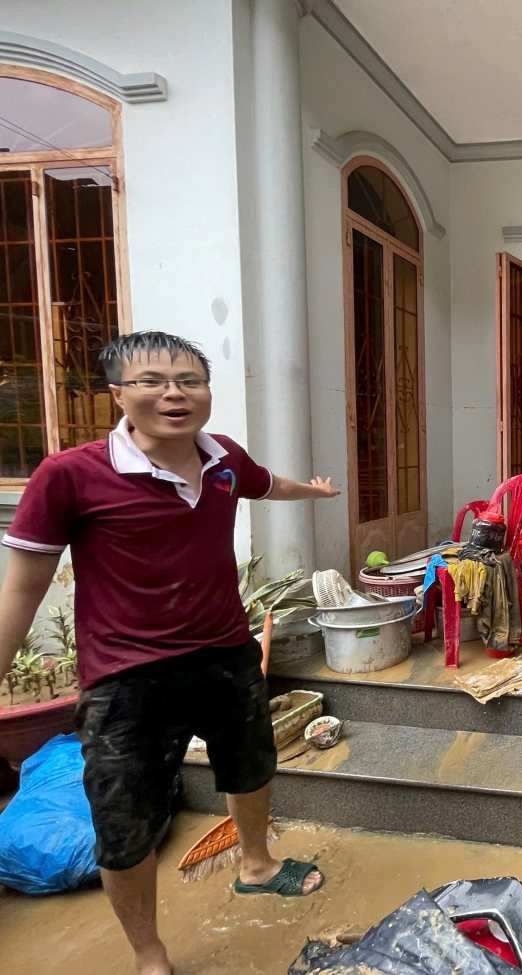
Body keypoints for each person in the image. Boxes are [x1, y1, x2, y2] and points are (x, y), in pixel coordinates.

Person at [0, 332, 340, 975]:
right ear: (117, 395)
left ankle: (256, 865)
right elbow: (22, 588)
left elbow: (268, 484)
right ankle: (149, 953)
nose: (173, 394)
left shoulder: (224, 459)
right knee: (124, 820)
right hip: (126, 677)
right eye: (152, 381)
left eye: (189, 381)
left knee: (251, 767)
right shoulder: (69, 476)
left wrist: (314, 493)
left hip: (226, 651)